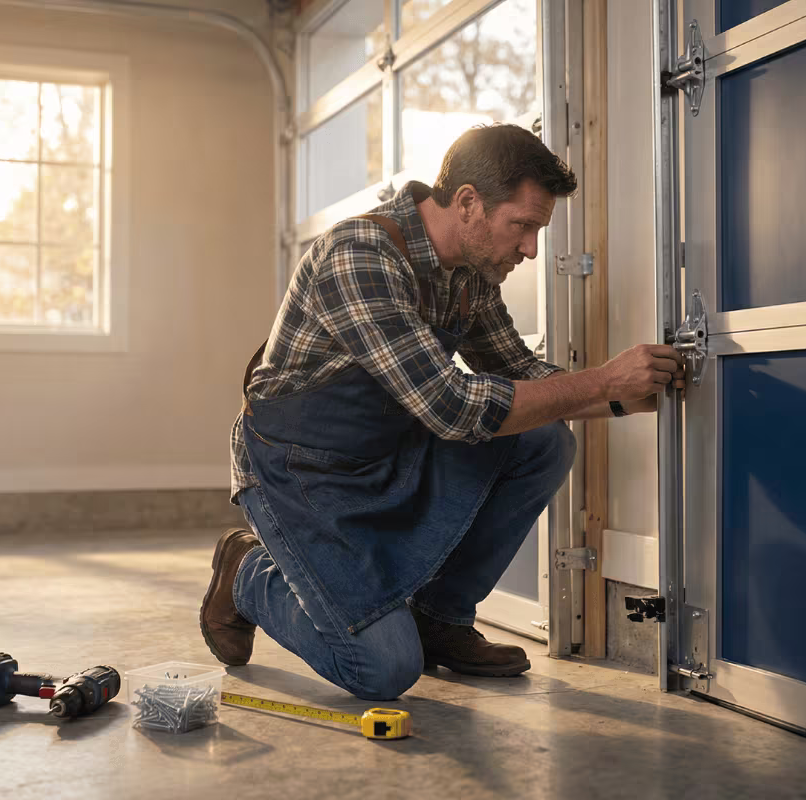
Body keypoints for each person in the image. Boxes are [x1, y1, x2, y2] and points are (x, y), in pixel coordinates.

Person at [200, 123, 684, 700]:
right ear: (469, 203)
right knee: (381, 668)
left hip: (384, 454)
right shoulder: (360, 254)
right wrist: (603, 380)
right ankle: (247, 575)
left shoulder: (469, 277)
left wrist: (629, 396)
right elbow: (451, 408)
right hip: (299, 474)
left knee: (542, 442)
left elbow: (521, 374)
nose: (531, 249)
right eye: (522, 226)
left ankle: (441, 620)